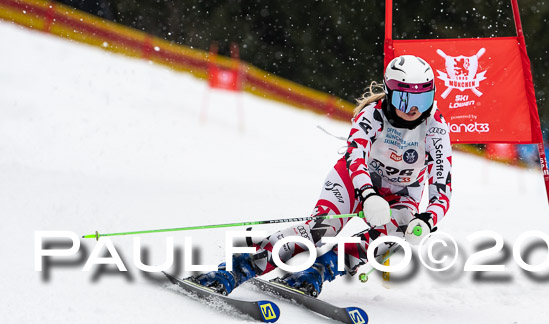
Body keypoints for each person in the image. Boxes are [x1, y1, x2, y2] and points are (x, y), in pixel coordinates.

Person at [191, 55, 453, 297]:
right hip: (355, 180)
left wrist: (427, 221)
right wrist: (369, 194)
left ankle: (318, 271)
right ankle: (236, 269)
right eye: (405, 100)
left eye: (423, 100)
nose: (414, 110)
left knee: (388, 240)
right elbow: (355, 156)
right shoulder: (372, 115)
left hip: (403, 193)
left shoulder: (436, 127)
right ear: (389, 93)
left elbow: (442, 188)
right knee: (320, 230)